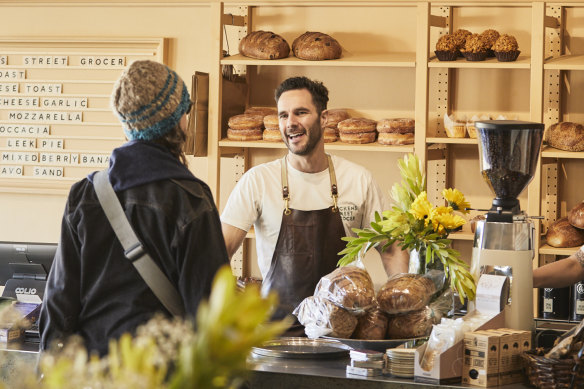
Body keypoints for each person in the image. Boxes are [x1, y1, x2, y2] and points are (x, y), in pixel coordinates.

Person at [39, 60, 229, 356]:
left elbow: (59, 302)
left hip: (94, 373)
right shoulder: (190, 199)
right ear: (178, 121)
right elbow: (212, 316)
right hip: (163, 374)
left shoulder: (85, 194)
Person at [220, 76, 409, 334]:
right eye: (283, 115)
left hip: (344, 334)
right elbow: (220, 250)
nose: (290, 123)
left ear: (324, 118)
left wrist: (403, 302)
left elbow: (391, 249)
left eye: (301, 113)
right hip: (276, 336)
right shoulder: (258, 180)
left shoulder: (358, 179)